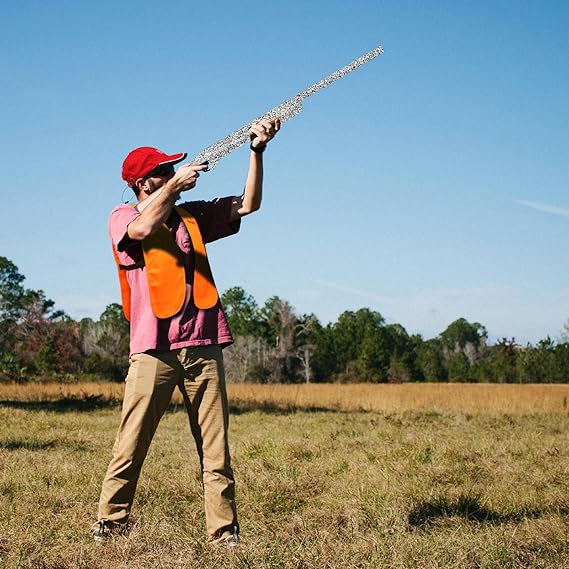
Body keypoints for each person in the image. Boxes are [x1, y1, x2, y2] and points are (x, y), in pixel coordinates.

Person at [93, 118, 281, 547]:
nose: (172, 173)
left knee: (216, 450)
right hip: (153, 350)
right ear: (144, 182)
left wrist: (257, 151)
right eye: (163, 171)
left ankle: (224, 531)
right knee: (132, 442)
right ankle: (111, 521)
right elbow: (140, 231)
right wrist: (174, 187)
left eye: (172, 169)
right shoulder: (123, 215)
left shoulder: (190, 216)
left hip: (204, 343)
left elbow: (248, 205)